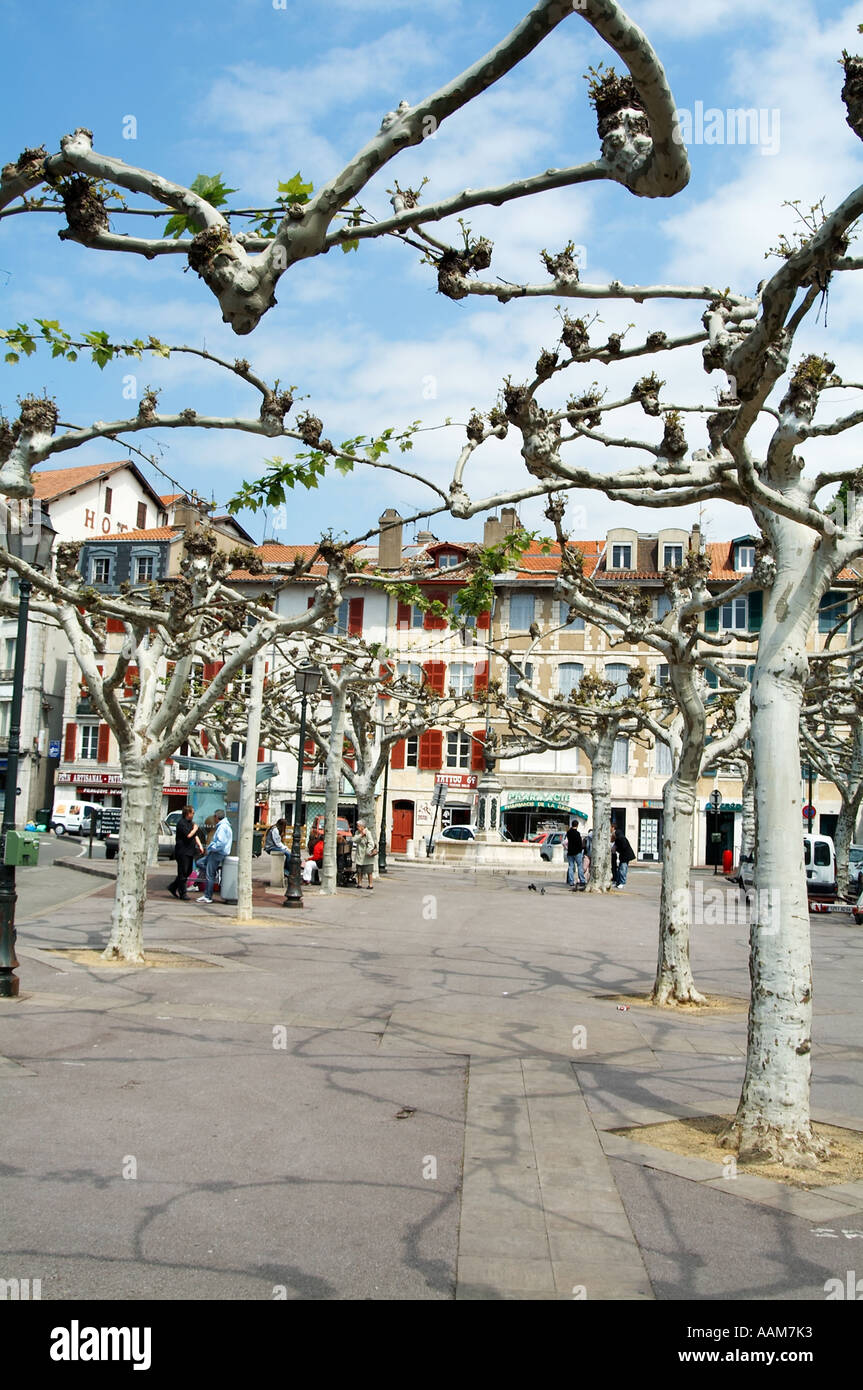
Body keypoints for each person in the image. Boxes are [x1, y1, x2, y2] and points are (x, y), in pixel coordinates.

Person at [198, 808, 233, 904]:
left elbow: (220, 843)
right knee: (200, 863)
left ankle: (208, 896)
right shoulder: (225, 826)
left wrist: (211, 847)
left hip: (217, 853)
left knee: (209, 875)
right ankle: (215, 873)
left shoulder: (222, 827)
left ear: (216, 817)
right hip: (218, 853)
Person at [167, 805, 202, 900]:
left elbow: (195, 836)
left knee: (188, 871)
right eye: (192, 813)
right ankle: (183, 893)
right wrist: (195, 828)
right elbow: (188, 835)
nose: (193, 814)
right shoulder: (181, 823)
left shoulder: (191, 823)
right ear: (188, 813)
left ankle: (173, 886)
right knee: (182, 872)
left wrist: (200, 845)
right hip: (182, 851)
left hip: (190, 851)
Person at [353, 819, 377, 890]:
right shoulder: (357, 832)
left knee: (369, 871)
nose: (357, 827)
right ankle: (359, 883)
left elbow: (371, 843)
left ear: (362, 827)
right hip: (360, 854)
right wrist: (361, 835)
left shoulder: (368, 833)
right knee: (359, 870)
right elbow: (354, 840)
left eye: (358, 826)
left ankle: (370, 884)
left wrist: (368, 851)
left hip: (367, 855)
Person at [565, 820, 585, 891]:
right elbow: (580, 843)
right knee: (579, 866)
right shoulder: (577, 833)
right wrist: (581, 849)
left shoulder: (568, 833)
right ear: (577, 825)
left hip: (570, 852)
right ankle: (582, 880)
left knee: (571, 866)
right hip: (577, 852)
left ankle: (571, 881)